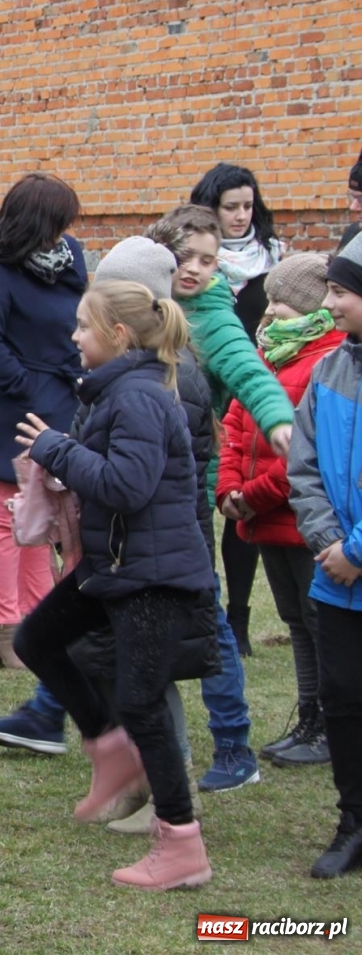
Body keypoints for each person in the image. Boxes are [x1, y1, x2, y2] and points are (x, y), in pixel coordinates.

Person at [13, 281, 217, 891]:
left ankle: (181, 845)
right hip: (117, 567)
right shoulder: (116, 392)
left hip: (154, 576)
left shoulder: (140, 399)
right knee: (38, 640)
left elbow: (128, 485)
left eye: (83, 326)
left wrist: (57, 449)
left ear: (119, 335)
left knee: (142, 703)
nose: (73, 336)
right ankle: (109, 752)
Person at [141, 204, 293, 792]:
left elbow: (253, 376)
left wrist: (278, 419)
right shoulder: (139, 307)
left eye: (210, 259)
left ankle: (234, 746)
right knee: (98, 598)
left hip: (183, 496)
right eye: (188, 258)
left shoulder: (212, 320)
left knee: (205, 620)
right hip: (126, 487)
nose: (199, 270)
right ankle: (54, 709)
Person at [218, 252, 340, 768]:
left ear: (312, 309)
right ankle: (310, 716)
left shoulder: (326, 363)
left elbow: (307, 454)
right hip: (264, 519)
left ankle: (334, 724)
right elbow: (235, 423)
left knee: (320, 624)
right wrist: (227, 487)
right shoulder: (270, 356)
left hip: (303, 522)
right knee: (294, 620)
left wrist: (252, 496)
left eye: (280, 305)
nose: (267, 316)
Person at [0, 173, 87, 668]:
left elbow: (78, 315)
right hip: (13, 405)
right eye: (57, 224)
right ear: (35, 223)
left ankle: (38, 619)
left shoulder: (69, 257)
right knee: (5, 515)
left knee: (43, 516)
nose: (64, 234)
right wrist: (27, 387)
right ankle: (4, 624)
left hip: (61, 398)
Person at [288, 236, 362, 879]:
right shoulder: (331, 369)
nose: (330, 303)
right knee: (341, 697)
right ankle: (352, 820)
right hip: (334, 574)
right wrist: (329, 545)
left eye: (341, 290)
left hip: (353, 560)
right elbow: (303, 465)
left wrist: (358, 550)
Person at [191, 164, 284, 658]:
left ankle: (239, 618)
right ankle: (207, 616)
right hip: (207, 397)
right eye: (230, 207)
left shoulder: (272, 257)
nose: (241, 216)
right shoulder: (194, 267)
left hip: (251, 391)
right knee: (204, 502)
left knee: (241, 505)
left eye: (248, 205)